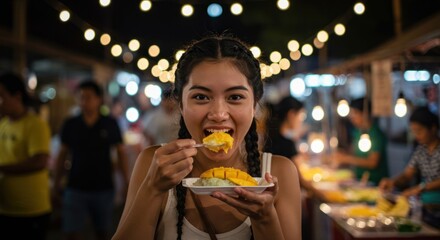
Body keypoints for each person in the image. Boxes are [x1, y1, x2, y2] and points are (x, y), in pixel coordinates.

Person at [112, 35, 301, 240]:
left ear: (254, 105)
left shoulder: (279, 173)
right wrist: (153, 188)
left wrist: (265, 220)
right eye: (201, 97)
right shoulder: (153, 164)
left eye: (235, 97)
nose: (218, 114)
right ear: (181, 105)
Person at [53, 80, 129, 240]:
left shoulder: (110, 123)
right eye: (80, 97)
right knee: (71, 233)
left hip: (103, 187)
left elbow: (121, 153)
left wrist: (126, 182)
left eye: (88, 97)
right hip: (75, 187)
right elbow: (62, 155)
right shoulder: (71, 123)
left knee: (103, 232)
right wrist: (56, 183)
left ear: (99, 99)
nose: (83, 101)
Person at [0, 72, 52, 239]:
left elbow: (39, 162)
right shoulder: (3, 124)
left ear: (17, 96)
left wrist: (2, 169)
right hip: (6, 206)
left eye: (1, 97)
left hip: (31, 209)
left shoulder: (35, 124)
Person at [380, 106, 440, 228]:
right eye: (413, 131)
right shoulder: (420, 150)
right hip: (425, 207)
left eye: (419, 131)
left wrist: (420, 188)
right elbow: (407, 174)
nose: (416, 135)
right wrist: (393, 182)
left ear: (433, 129)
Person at [331, 97, 389, 186]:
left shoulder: (376, 134)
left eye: (355, 113)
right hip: (359, 180)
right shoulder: (357, 131)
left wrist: (346, 159)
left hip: (375, 183)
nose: (352, 117)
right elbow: (354, 152)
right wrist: (342, 155)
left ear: (365, 114)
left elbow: (372, 162)